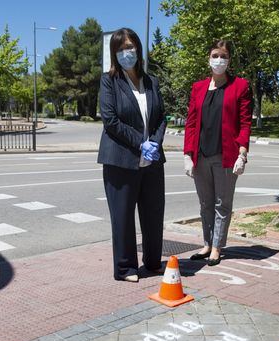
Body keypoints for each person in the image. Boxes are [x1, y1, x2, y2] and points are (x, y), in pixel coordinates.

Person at [97, 27, 167, 282]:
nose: (127, 53)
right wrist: (141, 143)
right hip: (121, 159)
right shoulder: (109, 81)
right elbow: (111, 121)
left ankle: (152, 262)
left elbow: (161, 117)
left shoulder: (151, 81)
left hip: (152, 160)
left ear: (138, 48)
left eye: (131, 47)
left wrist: (155, 143)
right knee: (123, 216)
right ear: (115, 54)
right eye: (121, 49)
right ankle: (126, 267)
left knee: (153, 213)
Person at [183, 39, 252, 266]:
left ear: (229, 60)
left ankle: (217, 247)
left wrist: (242, 153)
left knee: (222, 203)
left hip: (226, 156)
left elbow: (245, 123)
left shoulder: (240, 86)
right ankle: (206, 243)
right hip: (201, 155)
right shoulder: (198, 87)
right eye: (215, 55)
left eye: (223, 56)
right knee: (205, 203)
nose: (219, 60)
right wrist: (187, 154)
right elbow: (191, 123)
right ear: (208, 59)